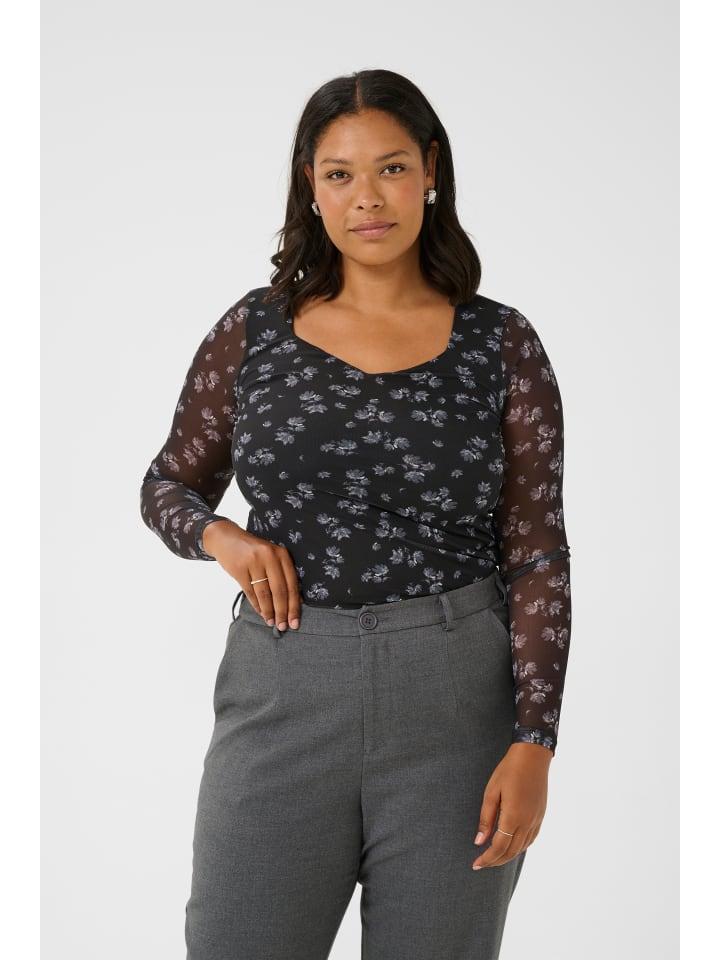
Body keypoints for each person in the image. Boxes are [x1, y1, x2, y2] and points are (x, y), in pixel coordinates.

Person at [140, 68, 572, 960]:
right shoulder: (256, 329)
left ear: (431, 171)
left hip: (455, 703)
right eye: (339, 174)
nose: (366, 198)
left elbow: (536, 553)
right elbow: (167, 484)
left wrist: (535, 742)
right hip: (284, 684)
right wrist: (221, 537)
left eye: (391, 168)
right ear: (311, 184)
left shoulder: (501, 343)